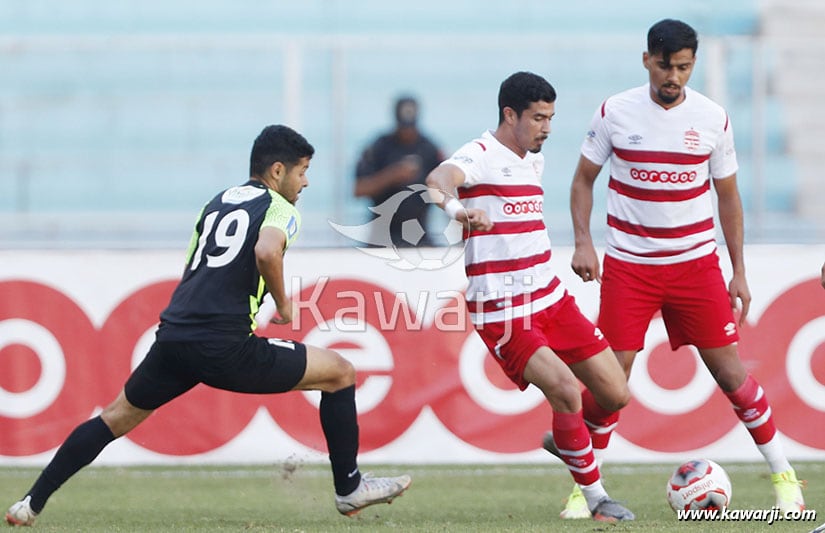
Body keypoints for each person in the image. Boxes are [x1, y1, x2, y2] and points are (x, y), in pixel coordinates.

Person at [5, 125, 411, 527]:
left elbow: (195, 269)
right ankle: (349, 488)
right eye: (302, 170)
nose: (305, 182)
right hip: (225, 345)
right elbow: (267, 250)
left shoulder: (215, 204)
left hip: (175, 338)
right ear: (276, 171)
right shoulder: (280, 208)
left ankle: (31, 502)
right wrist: (284, 305)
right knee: (341, 373)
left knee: (113, 417)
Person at [547, 18, 805, 519]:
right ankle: (586, 489)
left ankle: (785, 479)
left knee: (731, 374)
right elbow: (583, 181)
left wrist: (740, 271)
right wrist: (584, 242)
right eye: (666, 65)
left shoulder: (712, 118)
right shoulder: (615, 112)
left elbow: (728, 199)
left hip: (695, 268)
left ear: (693, 65)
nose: (674, 76)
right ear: (647, 59)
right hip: (630, 267)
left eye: (684, 67)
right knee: (610, 381)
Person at [425, 71, 635, 523]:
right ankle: (597, 499)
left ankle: (568, 441)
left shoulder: (532, 161)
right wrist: (458, 209)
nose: (547, 127)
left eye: (551, 117)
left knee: (616, 393)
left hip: (549, 295)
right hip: (503, 307)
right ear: (509, 114)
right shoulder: (481, 153)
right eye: (538, 118)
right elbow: (437, 179)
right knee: (563, 389)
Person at [354, 95, 446, 246]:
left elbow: (447, 191)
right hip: (381, 238)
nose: (407, 133)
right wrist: (392, 175)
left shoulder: (429, 149)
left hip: (420, 237)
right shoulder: (379, 147)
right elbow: (358, 189)